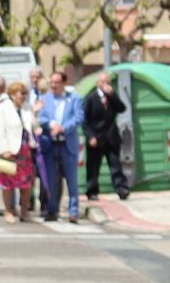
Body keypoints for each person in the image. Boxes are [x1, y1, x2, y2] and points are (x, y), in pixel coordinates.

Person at [34, 71, 84, 223]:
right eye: (52, 82)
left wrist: (63, 128)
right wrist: (52, 125)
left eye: (56, 82)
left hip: (67, 144)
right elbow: (41, 117)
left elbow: (78, 117)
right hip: (50, 144)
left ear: (64, 83)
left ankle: (73, 211)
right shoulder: (45, 99)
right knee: (51, 180)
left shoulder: (74, 98)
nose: (53, 85)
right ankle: (52, 209)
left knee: (71, 180)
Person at [0, 78, 37, 224]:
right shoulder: (3, 108)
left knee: (26, 184)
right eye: (21, 93)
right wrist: (4, 149)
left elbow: (32, 126)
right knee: (8, 184)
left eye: (25, 93)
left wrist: (35, 113)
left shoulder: (27, 107)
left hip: (25, 151)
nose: (24, 96)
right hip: (10, 151)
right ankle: (9, 210)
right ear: (13, 94)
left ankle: (24, 211)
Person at [84, 72, 130, 202]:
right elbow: (85, 121)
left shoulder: (111, 97)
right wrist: (90, 136)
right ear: (98, 83)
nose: (106, 85)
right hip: (96, 137)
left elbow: (122, 108)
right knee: (93, 167)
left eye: (108, 82)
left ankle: (121, 189)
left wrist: (112, 95)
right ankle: (92, 191)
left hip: (111, 137)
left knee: (116, 165)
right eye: (103, 82)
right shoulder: (91, 98)